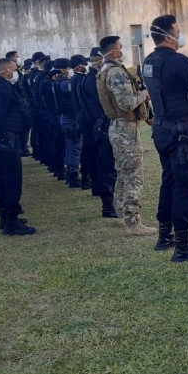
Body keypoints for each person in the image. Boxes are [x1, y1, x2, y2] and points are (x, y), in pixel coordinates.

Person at [144, 14, 188, 262]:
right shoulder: (179, 62)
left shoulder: (148, 61)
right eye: (178, 30)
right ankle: (183, 245)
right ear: (168, 35)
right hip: (179, 130)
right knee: (185, 185)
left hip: (161, 128)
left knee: (169, 181)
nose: (181, 35)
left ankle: (165, 236)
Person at [96, 36, 155, 236]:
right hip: (125, 130)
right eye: (120, 48)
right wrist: (145, 94)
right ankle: (132, 221)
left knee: (123, 172)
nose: (123, 51)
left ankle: (122, 212)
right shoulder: (116, 73)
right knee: (133, 176)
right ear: (114, 52)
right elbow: (127, 104)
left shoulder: (105, 70)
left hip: (120, 128)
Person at [0, 58, 36, 235]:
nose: (17, 73)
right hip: (7, 138)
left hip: (4, 138)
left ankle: (7, 217)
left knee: (5, 178)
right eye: (15, 69)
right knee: (11, 180)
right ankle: (11, 222)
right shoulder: (3, 88)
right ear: (6, 72)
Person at [78, 47, 118, 218]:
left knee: (100, 164)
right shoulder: (94, 80)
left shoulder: (85, 80)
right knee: (107, 167)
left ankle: (105, 198)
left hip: (94, 127)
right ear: (99, 60)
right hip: (101, 126)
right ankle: (108, 205)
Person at [54, 57, 83, 187]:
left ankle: (71, 172)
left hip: (66, 118)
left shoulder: (58, 82)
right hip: (70, 118)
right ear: (62, 70)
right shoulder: (64, 84)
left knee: (70, 147)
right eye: (68, 68)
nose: (70, 70)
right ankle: (73, 175)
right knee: (74, 148)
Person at [70, 54, 93, 190]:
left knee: (85, 148)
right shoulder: (80, 80)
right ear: (79, 66)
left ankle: (86, 176)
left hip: (81, 117)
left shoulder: (74, 80)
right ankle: (86, 176)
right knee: (87, 149)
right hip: (85, 118)